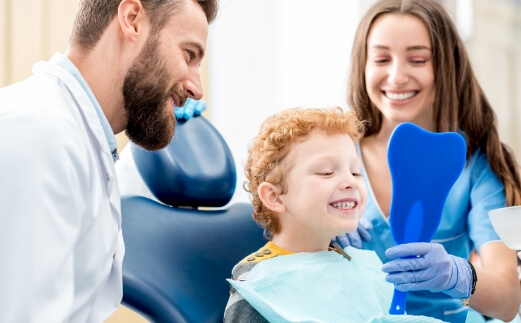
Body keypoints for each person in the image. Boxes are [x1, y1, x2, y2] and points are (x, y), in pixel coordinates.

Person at [0, 0, 217, 321]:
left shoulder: (77, 136)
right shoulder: (39, 134)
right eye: (189, 55)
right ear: (131, 20)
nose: (197, 88)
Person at [336, 0, 521, 322]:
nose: (396, 77)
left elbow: (507, 302)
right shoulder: (333, 154)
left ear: (446, 66)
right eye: (381, 58)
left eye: (418, 59)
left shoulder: (476, 167)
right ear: (362, 66)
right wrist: (316, 235)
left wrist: (456, 274)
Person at [224, 107, 448, 322]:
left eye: (355, 171)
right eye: (326, 172)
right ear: (275, 197)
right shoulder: (259, 284)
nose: (351, 181)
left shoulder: (362, 266)